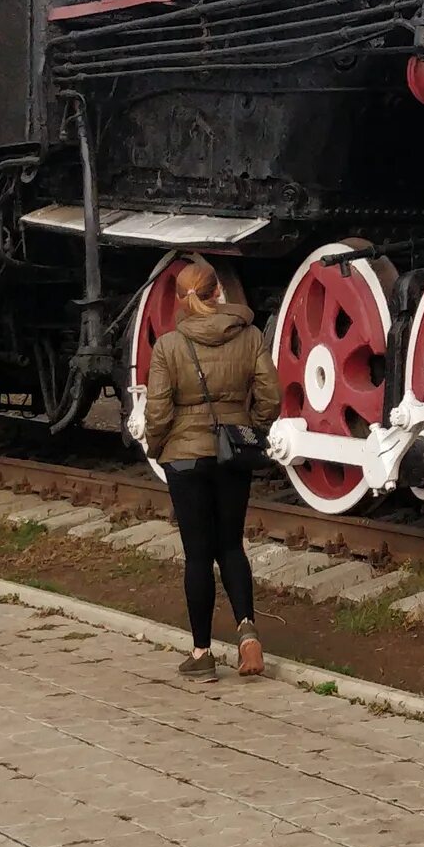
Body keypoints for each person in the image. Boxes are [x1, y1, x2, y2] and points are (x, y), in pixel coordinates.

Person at [140, 259, 281, 679]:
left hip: (185, 459)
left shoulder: (169, 346)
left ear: (182, 299)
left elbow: (159, 411)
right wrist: (246, 427)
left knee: (198, 557)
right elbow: (271, 398)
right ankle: (249, 635)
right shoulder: (251, 335)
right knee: (232, 546)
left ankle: (202, 654)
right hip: (231, 455)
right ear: (218, 292)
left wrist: (158, 445)